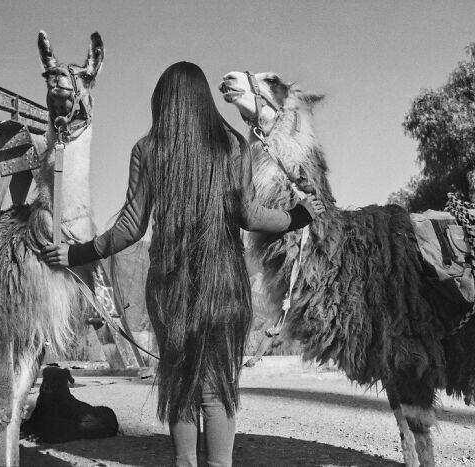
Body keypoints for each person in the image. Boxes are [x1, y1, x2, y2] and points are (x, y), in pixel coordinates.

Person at [42, 61, 324, 467]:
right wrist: (298, 216)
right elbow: (251, 215)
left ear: (163, 102)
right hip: (223, 284)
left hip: (170, 287)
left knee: (180, 384)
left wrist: (77, 253)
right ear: (204, 100)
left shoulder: (148, 149)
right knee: (217, 389)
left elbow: (129, 227)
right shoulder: (232, 145)